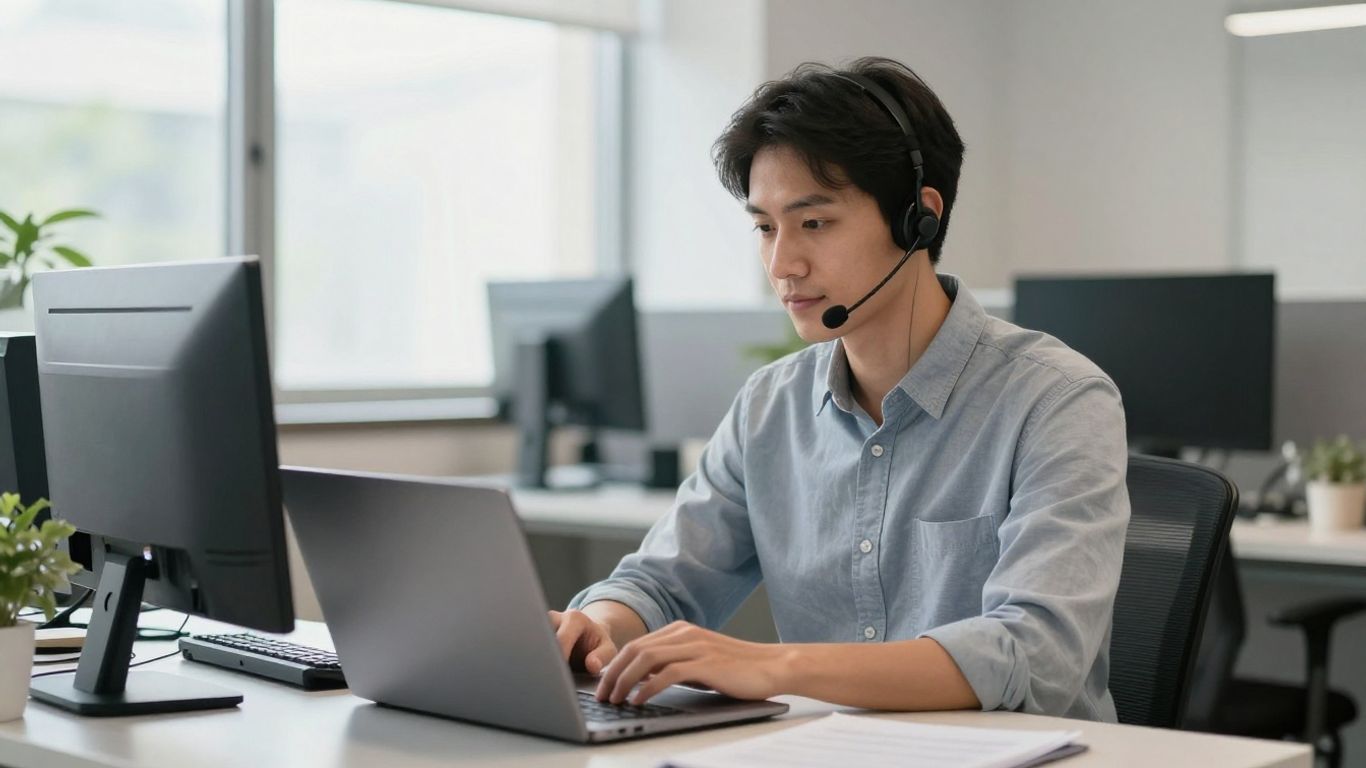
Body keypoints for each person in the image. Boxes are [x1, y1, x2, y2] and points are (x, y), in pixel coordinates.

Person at [550, 56, 1130, 722]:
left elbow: (1036, 653)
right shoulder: (772, 407)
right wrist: (598, 625)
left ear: (920, 218)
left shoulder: (1056, 401)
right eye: (766, 227)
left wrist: (775, 665)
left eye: (814, 223)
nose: (781, 263)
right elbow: (662, 581)